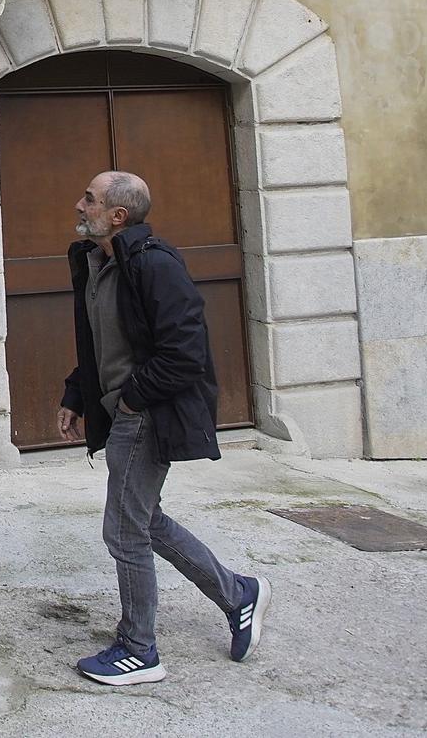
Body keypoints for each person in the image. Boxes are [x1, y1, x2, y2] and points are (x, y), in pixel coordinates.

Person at [57, 170, 270, 686]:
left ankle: (138, 649)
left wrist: (131, 400)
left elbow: (186, 353)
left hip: (148, 416)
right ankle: (238, 593)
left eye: (89, 199)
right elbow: (103, 343)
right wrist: (77, 393)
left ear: (117, 216)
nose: (78, 205)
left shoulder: (153, 265)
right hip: (126, 409)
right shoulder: (97, 263)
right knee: (146, 521)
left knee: (125, 530)